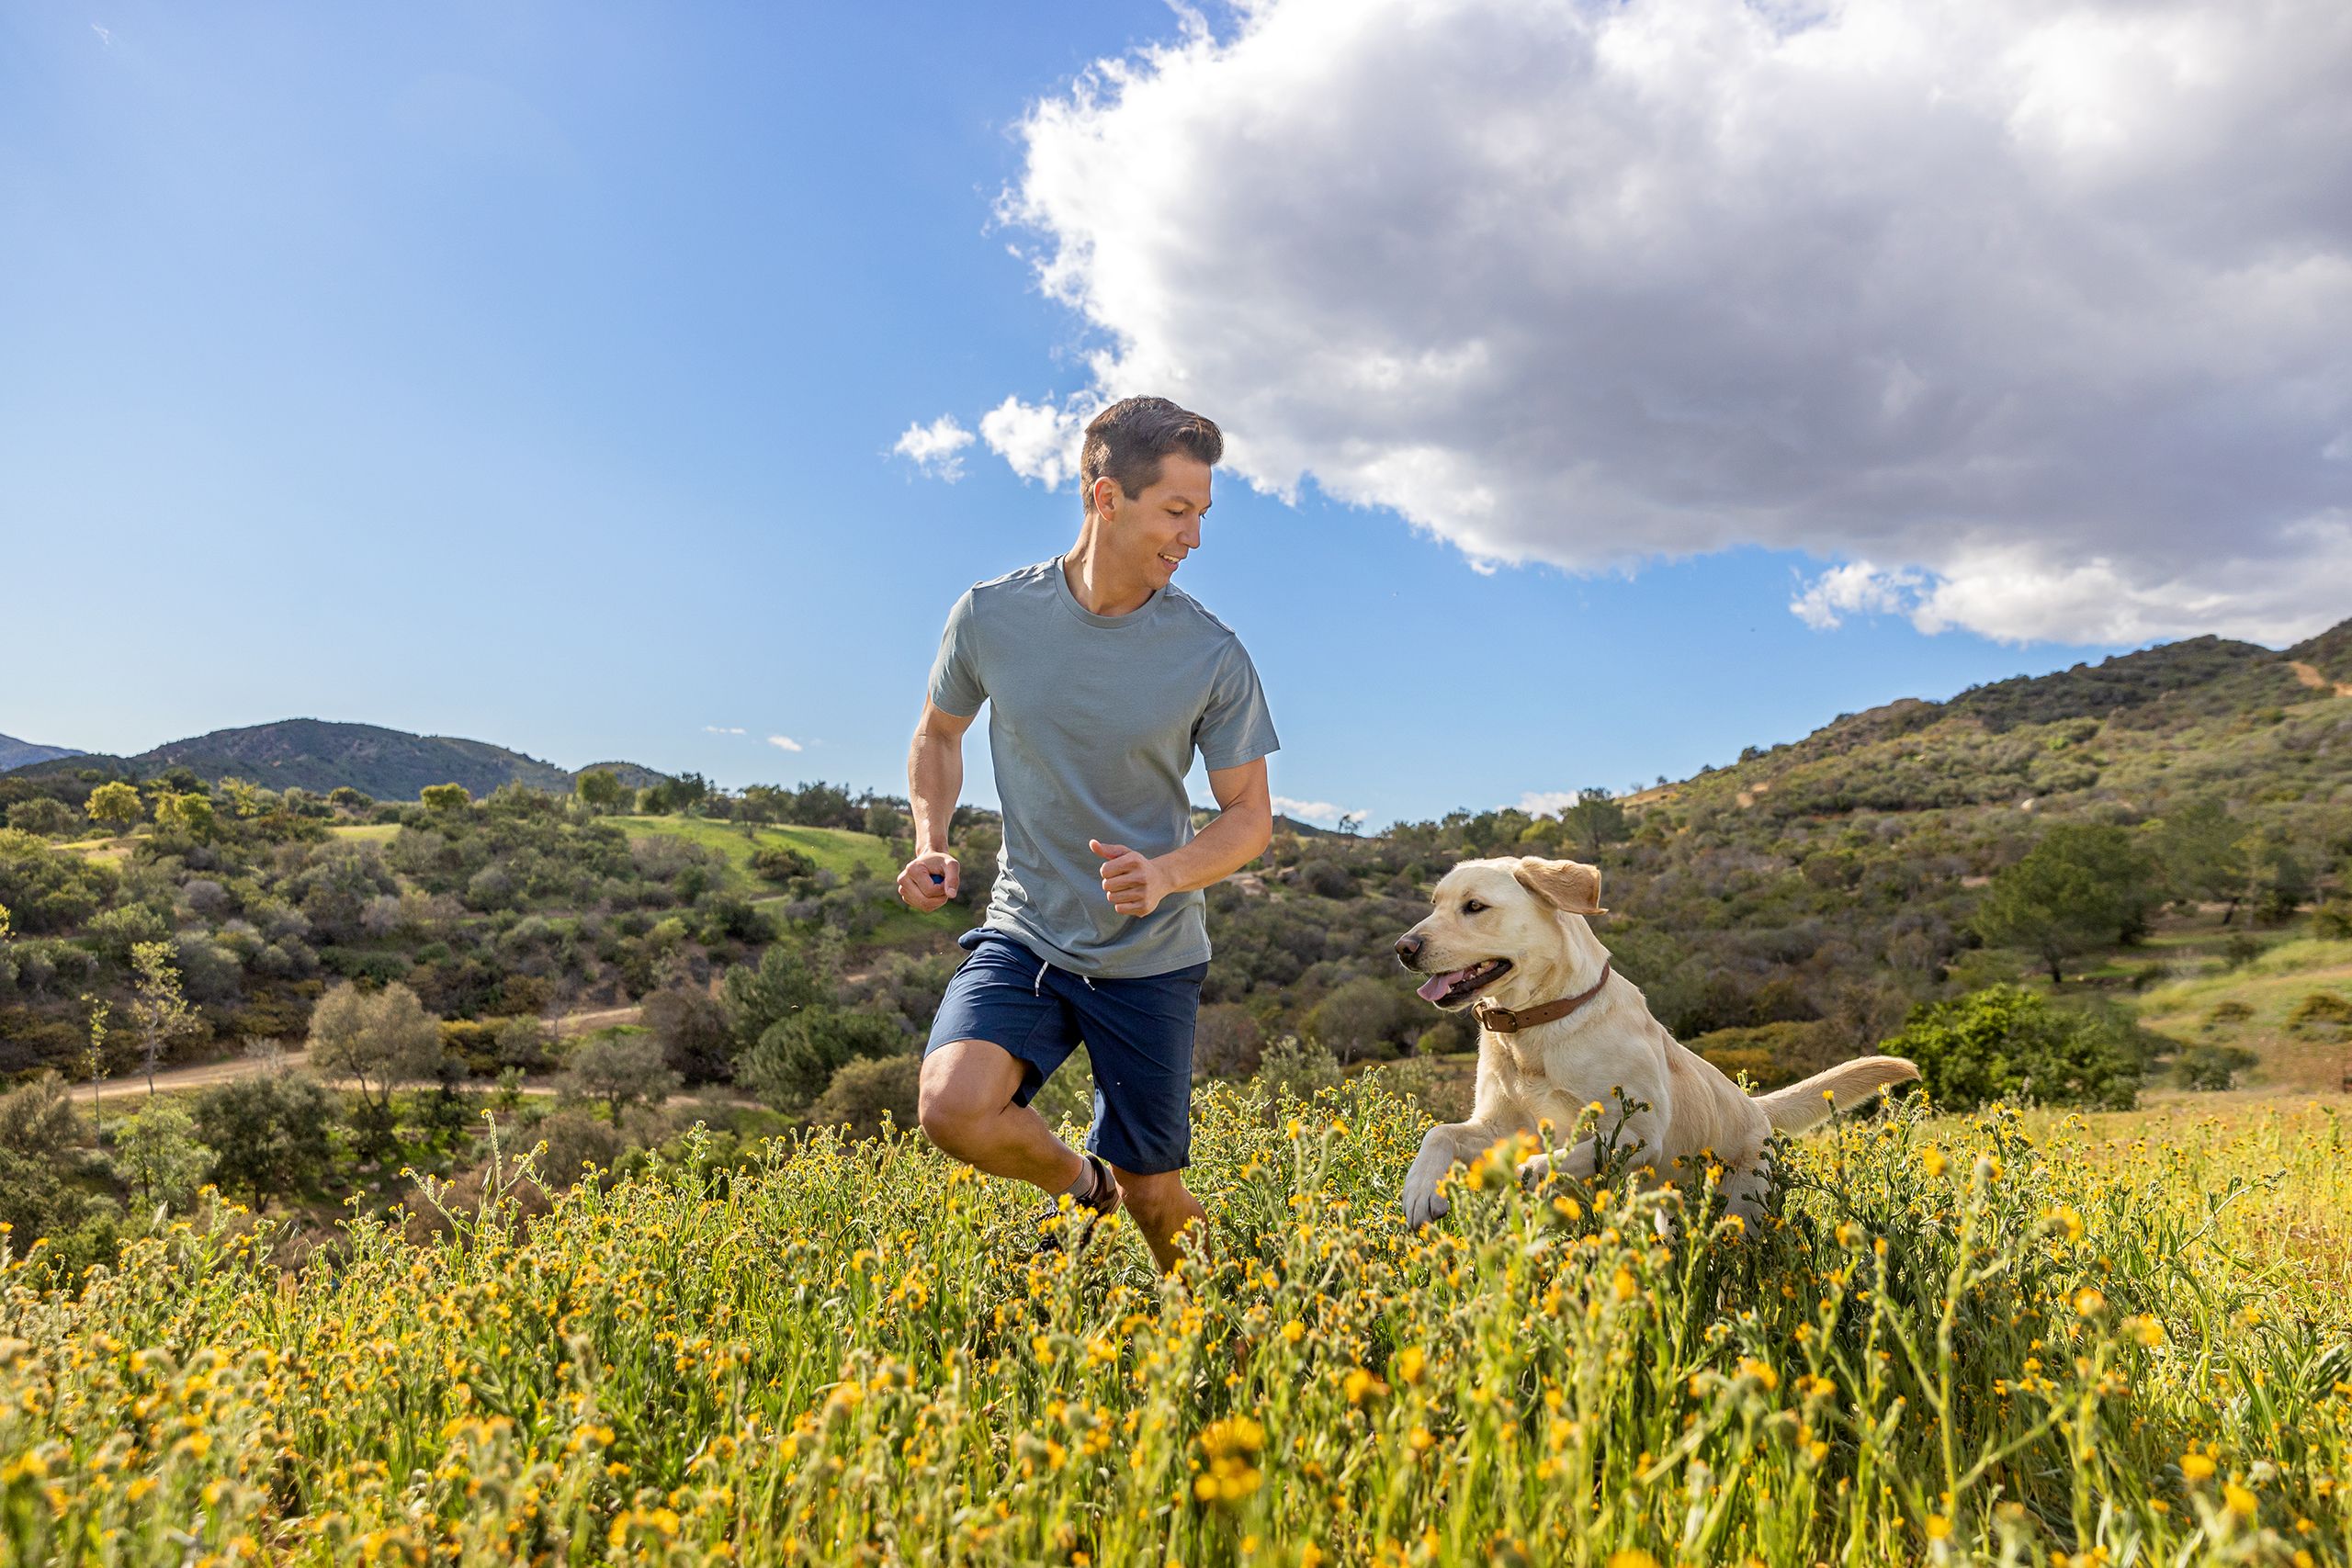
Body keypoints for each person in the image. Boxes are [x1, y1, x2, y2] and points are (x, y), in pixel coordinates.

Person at [898, 395, 1278, 1270]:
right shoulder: (991, 616)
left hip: (1149, 955)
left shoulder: (1212, 655)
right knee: (953, 1107)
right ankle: (1084, 1184)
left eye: (1201, 515)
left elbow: (1251, 817)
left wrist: (1170, 873)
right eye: (1175, 511)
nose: (1192, 537)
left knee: (1158, 1197)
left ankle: (1232, 1324)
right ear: (1106, 499)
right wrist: (930, 836)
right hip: (1027, 930)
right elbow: (939, 733)